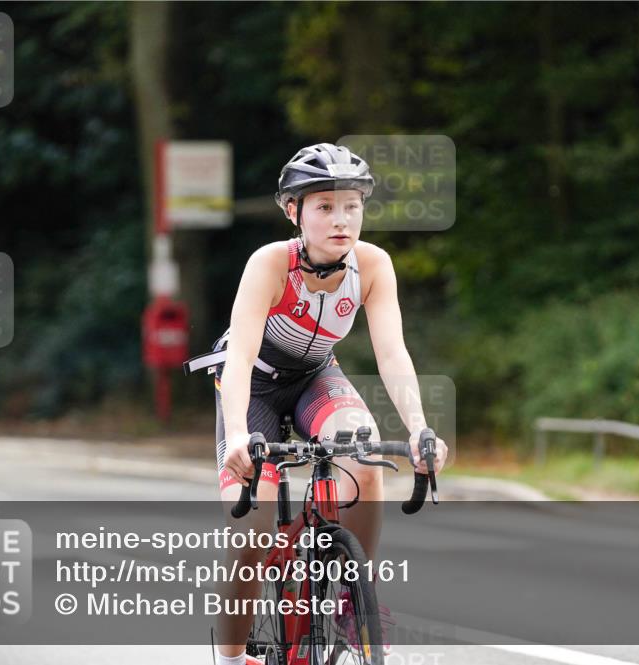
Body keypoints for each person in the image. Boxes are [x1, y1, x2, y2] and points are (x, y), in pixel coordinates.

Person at [189, 143, 447, 665]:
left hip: (314, 376)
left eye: (351, 205)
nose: (340, 219)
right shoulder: (270, 263)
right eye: (324, 207)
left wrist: (420, 429)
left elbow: (392, 352)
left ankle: (355, 600)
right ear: (294, 212)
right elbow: (238, 357)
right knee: (252, 536)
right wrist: (238, 434)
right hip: (253, 384)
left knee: (366, 459)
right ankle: (233, 656)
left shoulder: (373, 265)